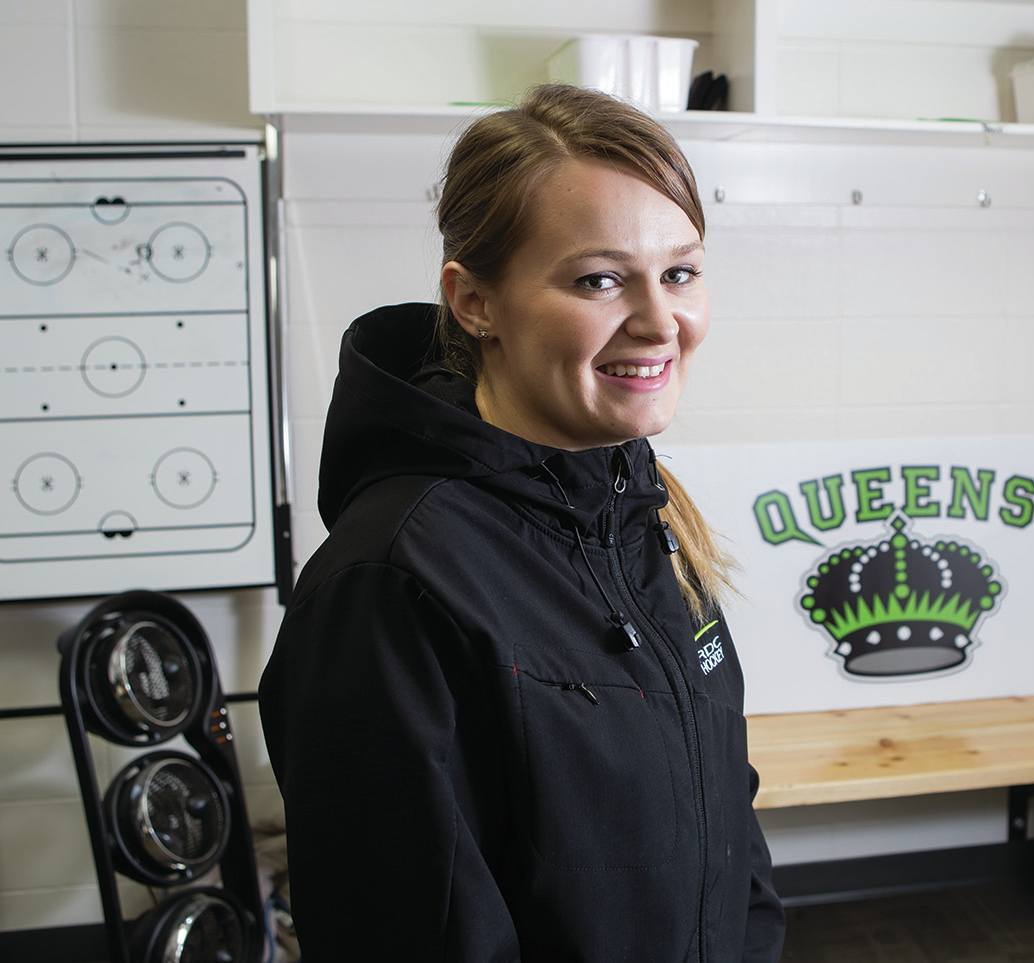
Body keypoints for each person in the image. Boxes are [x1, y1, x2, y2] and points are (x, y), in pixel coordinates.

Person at [258, 83, 785, 961]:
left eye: (680, 272)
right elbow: (409, 930)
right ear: (474, 302)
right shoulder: (393, 582)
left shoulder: (639, 513)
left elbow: (725, 808)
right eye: (600, 279)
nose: (661, 322)